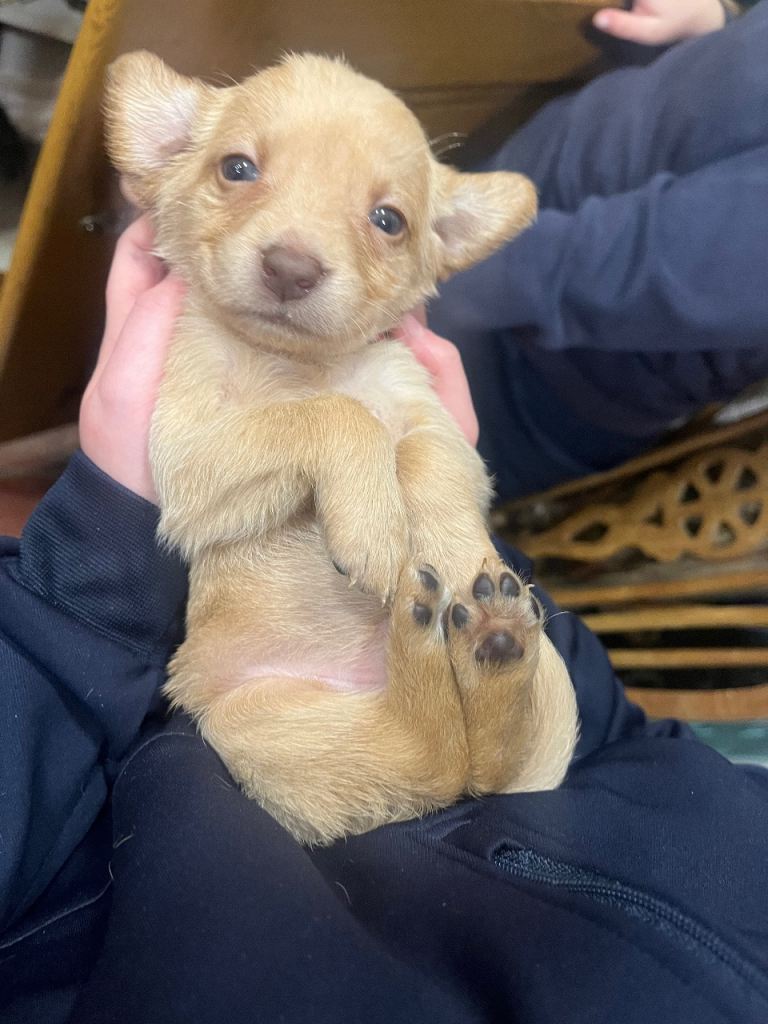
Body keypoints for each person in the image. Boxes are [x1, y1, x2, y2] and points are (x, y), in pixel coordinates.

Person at [2, 203, 767, 1023]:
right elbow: (629, 740)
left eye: (387, 217)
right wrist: (472, 554)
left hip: (162, 750)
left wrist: (91, 566)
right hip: (478, 697)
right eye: (240, 172)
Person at [429, 0, 768, 502]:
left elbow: (601, 271)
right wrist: (722, 25)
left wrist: (401, 270)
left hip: (519, 372)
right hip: (500, 221)